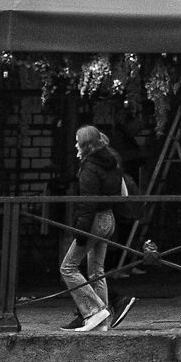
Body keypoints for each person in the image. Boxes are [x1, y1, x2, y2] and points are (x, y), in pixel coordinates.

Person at [59, 126, 132, 331]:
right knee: (96, 271)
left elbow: (87, 205)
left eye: (77, 141)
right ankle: (103, 322)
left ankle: (95, 311)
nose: (75, 145)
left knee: (68, 267)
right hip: (109, 218)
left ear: (86, 145)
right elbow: (121, 192)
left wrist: (80, 233)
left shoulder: (89, 168)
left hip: (94, 222)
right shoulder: (113, 161)